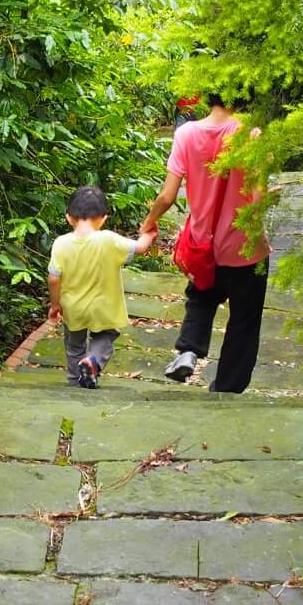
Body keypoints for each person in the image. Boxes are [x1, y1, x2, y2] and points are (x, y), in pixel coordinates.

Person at [140, 93, 270, 393]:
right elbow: (258, 198)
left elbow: (167, 196)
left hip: (204, 244)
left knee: (201, 296)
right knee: (244, 320)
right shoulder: (252, 135)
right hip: (245, 248)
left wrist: (149, 221)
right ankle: (226, 388)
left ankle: (188, 349)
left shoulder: (185, 134)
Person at [48, 185, 155, 388]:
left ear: (69, 217)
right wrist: (149, 232)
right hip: (104, 307)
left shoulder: (61, 243)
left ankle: (75, 382)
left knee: (74, 346)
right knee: (106, 335)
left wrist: (55, 305)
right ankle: (94, 360)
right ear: (104, 218)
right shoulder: (108, 239)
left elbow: (54, 278)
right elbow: (140, 247)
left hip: (73, 308)